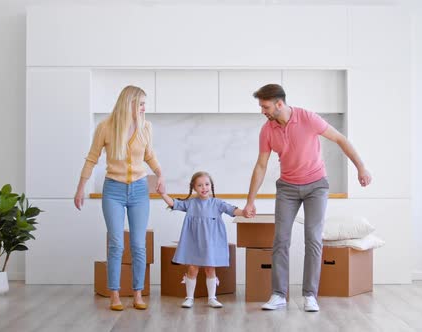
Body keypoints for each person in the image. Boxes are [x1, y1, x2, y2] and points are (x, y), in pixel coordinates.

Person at [242, 84, 372, 312]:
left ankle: (310, 295)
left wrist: (361, 168)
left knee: (313, 237)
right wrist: (250, 201)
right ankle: (278, 294)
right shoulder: (267, 130)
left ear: (279, 104)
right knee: (280, 239)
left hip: (316, 186)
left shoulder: (307, 118)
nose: (262, 111)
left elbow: (340, 139)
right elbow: (261, 166)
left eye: (265, 106)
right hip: (287, 189)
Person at [74, 85, 164, 311]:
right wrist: (81, 187)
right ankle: (114, 294)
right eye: (141, 103)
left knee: (138, 244)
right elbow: (92, 158)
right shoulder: (105, 127)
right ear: (130, 104)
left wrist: (161, 174)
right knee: (115, 243)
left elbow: (149, 155)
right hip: (113, 190)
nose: (145, 108)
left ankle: (137, 293)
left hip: (140, 190)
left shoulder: (146, 127)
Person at [158, 171, 245, 308]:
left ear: (211, 186)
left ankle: (212, 298)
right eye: (200, 185)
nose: (204, 188)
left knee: (210, 269)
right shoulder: (191, 203)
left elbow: (232, 210)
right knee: (192, 269)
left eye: (206, 184)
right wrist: (163, 194)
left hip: (211, 242)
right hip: (194, 241)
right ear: (194, 187)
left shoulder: (217, 203)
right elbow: (174, 204)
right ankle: (189, 298)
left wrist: (245, 212)